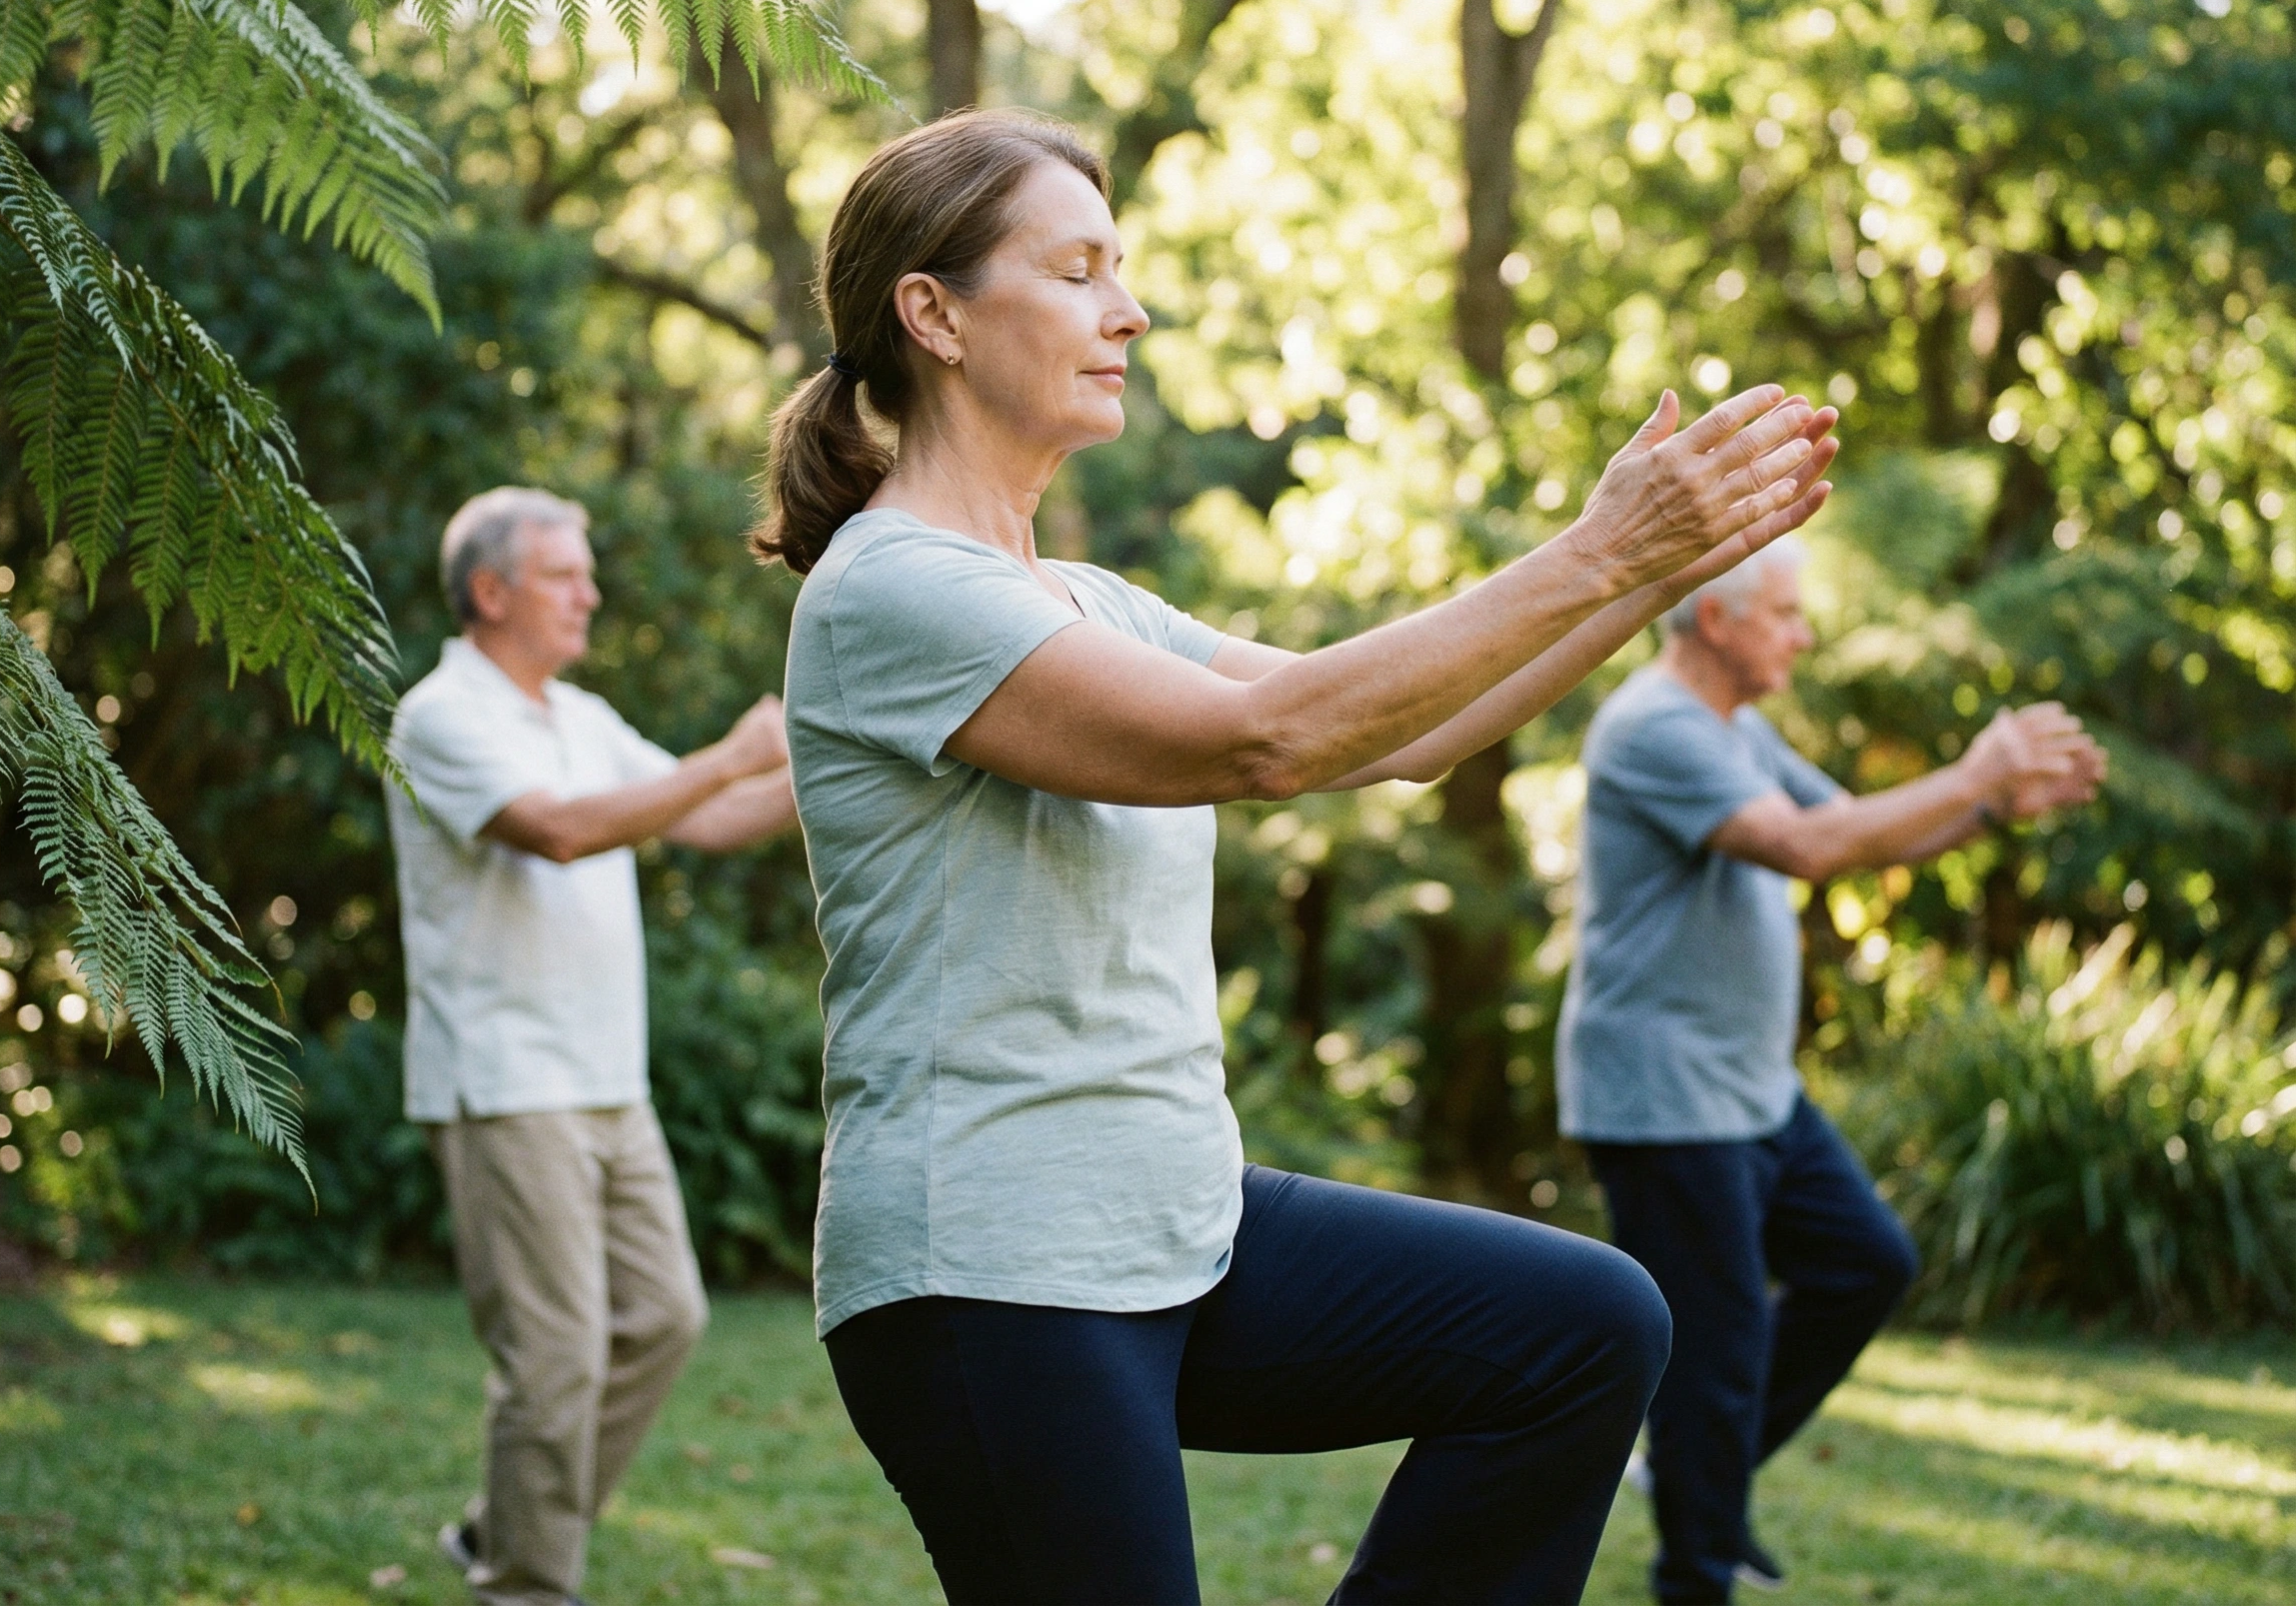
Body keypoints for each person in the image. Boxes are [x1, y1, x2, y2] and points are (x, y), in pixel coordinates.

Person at [750, 107, 1841, 1604]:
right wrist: (1598, 556)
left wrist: (1647, 566)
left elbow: (1401, 735)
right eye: (1075, 272)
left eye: (1119, 269)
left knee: (1583, 1329)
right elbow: (1268, 741)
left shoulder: (1083, 599)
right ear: (931, 313)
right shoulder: (892, 593)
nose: (1126, 309)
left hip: (1180, 1225)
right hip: (992, 1268)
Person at [1557, 535, 2106, 1604]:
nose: (1803, 635)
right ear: (1717, 619)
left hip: (1752, 1088)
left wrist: (1989, 803)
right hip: (1665, 1095)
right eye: (1787, 614)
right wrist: (1974, 770)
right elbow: (1805, 850)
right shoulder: (1653, 727)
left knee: (1868, 1261)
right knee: (1711, 1357)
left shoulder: (1738, 727)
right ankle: (1695, 1570)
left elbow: (1858, 834)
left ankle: (1690, 1473)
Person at [386, 486, 799, 1606]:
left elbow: (707, 817)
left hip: (610, 1082)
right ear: (491, 591)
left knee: (665, 1318)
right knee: (556, 1356)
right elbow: (560, 833)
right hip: (507, 1086)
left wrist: (844, 763)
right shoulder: (441, 716)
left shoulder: (581, 717)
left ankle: (504, 1527)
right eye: (566, 574)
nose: (590, 592)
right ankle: (527, 1580)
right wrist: (725, 757)